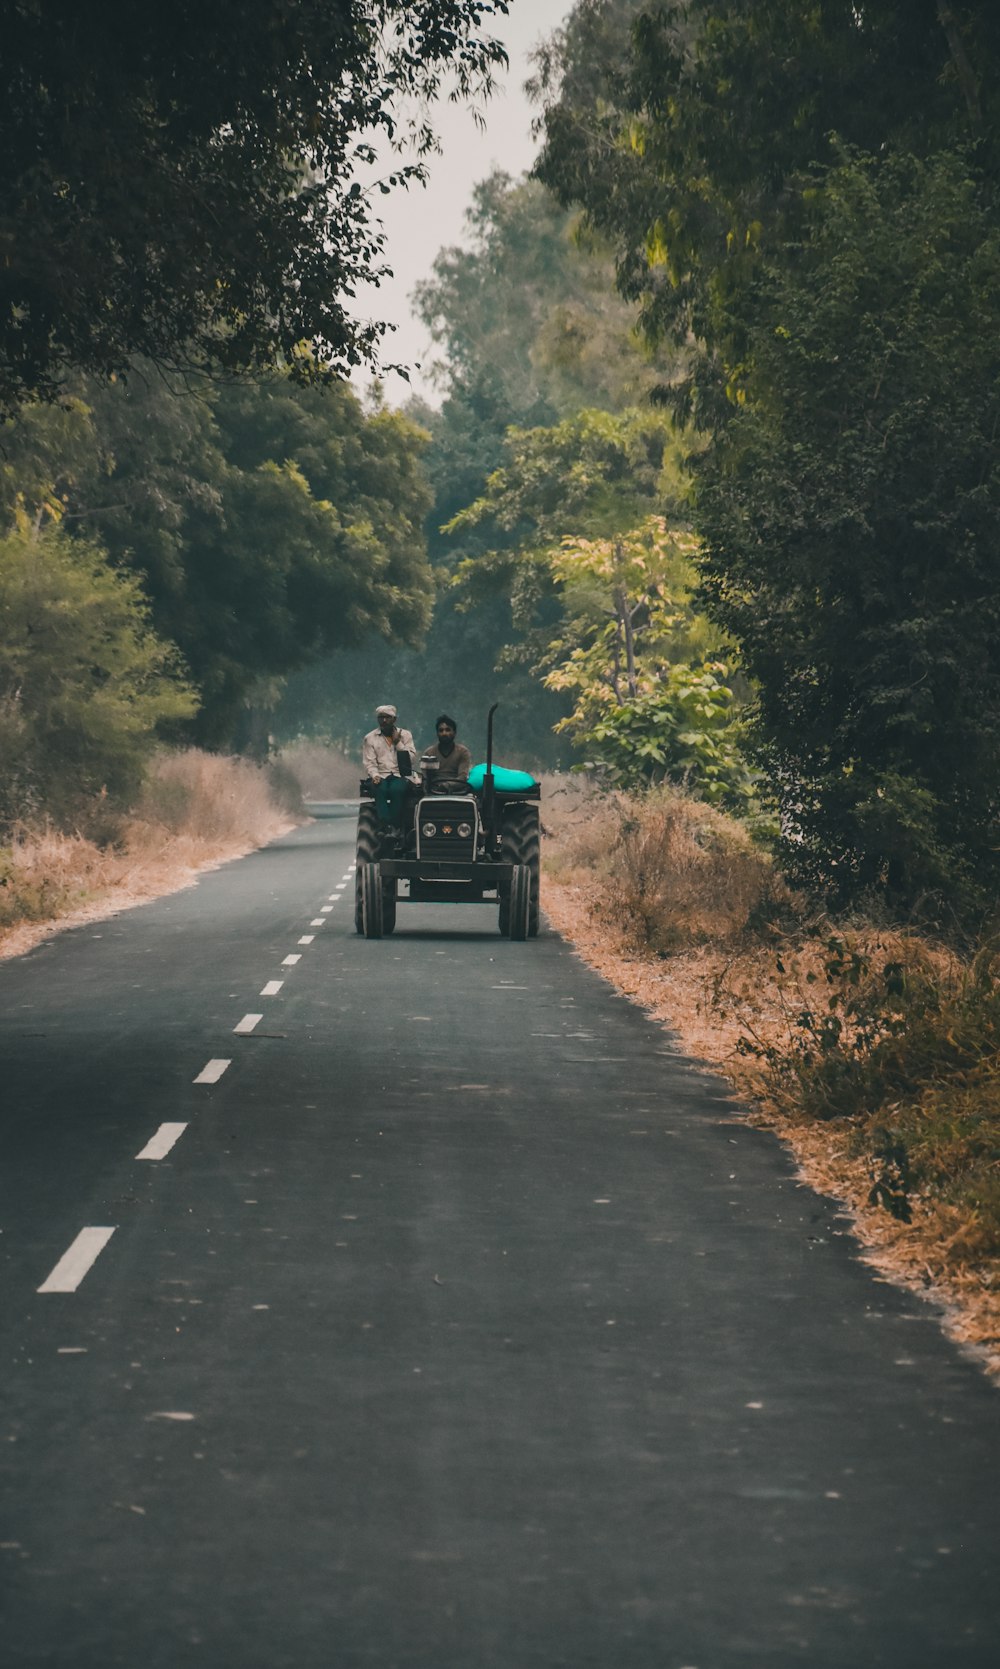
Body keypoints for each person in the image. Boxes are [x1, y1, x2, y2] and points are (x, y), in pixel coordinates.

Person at [362, 704, 420, 828]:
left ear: (394, 719)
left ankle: (394, 826)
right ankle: (386, 825)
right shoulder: (370, 738)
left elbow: (410, 759)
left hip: (401, 775)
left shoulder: (405, 735)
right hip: (380, 775)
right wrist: (375, 775)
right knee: (380, 789)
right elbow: (370, 763)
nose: (384, 721)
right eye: (381, 717)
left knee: (396, 790)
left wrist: (397, 742)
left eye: (387, 717)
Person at [421, 713, 472, 784]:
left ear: (454, 732)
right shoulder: (429, 753)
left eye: (448, 730)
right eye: (441, 730)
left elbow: (462, 777)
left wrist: (446, 786)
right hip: (434, 791)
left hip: (458, 791)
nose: (444, 733)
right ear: (437, 733)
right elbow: (426, 778)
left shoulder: (463, 752)